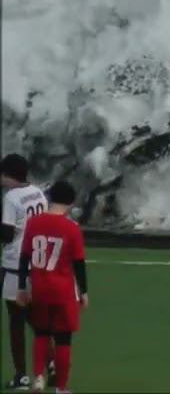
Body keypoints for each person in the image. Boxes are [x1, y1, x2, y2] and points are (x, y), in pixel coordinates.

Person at [17, 181, 87, 394]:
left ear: (50, 197)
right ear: (71, 202)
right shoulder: (72, 229)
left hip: (39, 288)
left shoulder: (34, 223)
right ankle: (61, 388)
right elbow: (78, 264)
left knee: (41, 334)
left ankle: (38, 375)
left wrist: (22, 287)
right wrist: (83, 292)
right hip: (63, 291)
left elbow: (24, 258)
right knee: (63, 339)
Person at [2, 154, 47, 391]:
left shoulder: (11, 198)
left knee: (16, 319)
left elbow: (7, 236)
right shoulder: (38, 192)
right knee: (32, 313)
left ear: (9, 176)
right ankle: (49, 360)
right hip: (36, 261)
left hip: (14, 262)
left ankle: (21, 375)